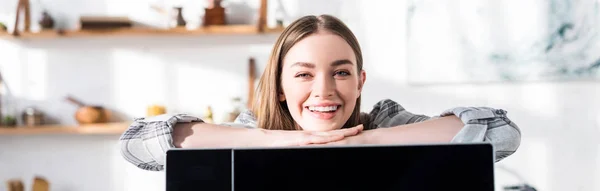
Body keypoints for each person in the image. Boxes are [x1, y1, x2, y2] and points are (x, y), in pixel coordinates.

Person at [120, 14, 521, 171]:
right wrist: (274, 139)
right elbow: (136, 144)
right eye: (304, 74)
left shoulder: (385, 122)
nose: (324, 91)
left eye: (340, 72)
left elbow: (501, 133)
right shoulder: (250, 133)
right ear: (279, 86)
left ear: (360, 81)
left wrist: (363, 140)